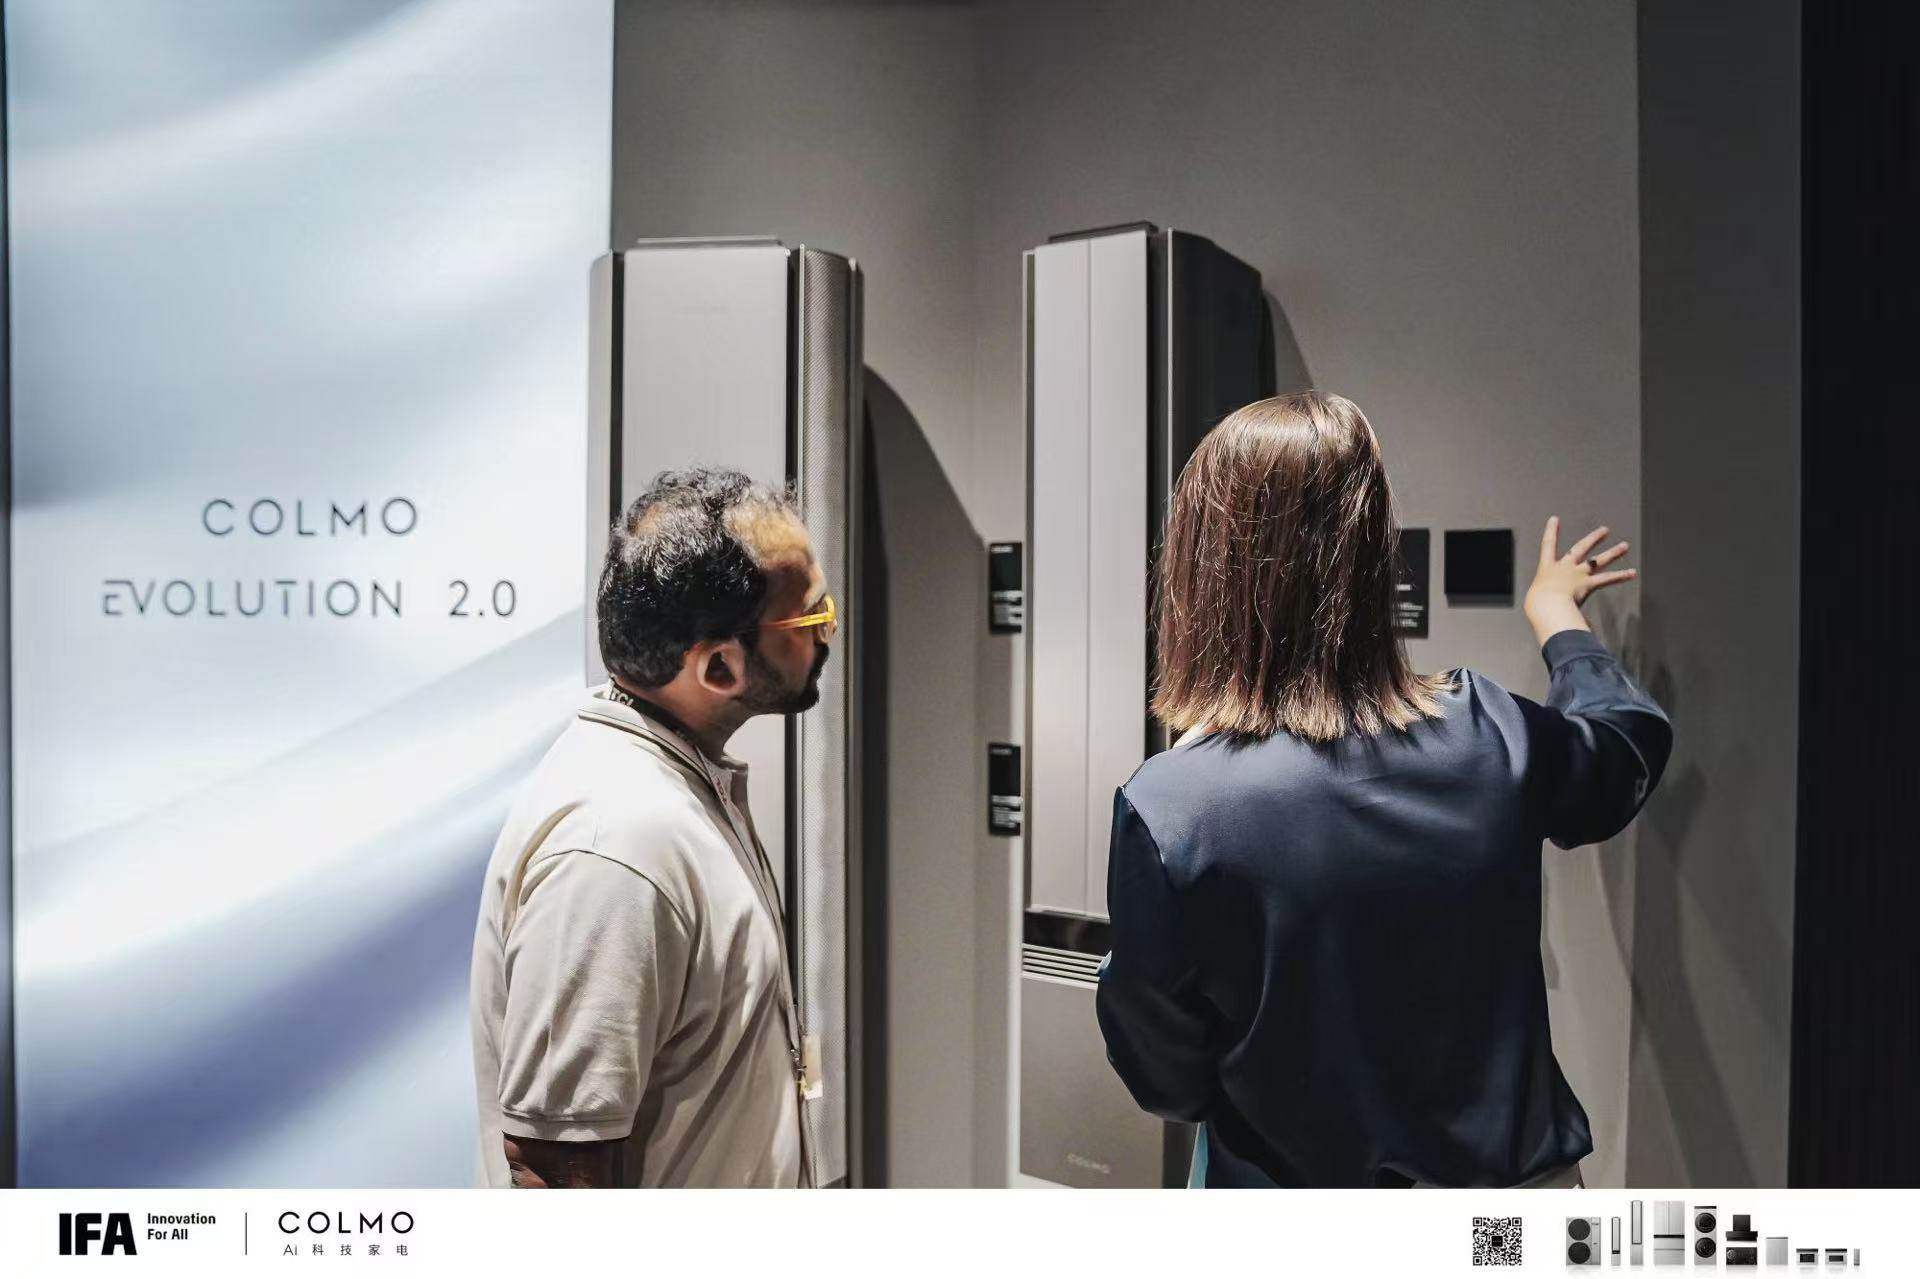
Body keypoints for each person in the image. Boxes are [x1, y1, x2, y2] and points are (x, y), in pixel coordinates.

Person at [1096, 391, 1672, 1188]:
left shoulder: (1172, 806)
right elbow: (1625, 742)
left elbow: (1163, 1073)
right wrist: (1557, 619)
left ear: (1202, 569)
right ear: (1371, 555)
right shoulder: (1489, 732)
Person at [469, 467, 837, 1188]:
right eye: (810, 620)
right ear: (721, 666)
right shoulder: (619, 843)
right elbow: (556, 1171)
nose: (829, 634)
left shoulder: (668, 788)